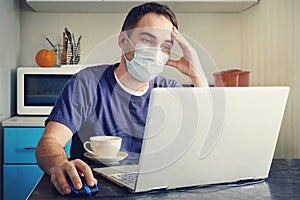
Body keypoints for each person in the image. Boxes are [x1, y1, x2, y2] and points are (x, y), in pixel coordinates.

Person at [36, 2, 208, 195]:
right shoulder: (87, 83)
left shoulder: (170, 91)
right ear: (123, 40)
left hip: (155, 190)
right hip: (94, 188)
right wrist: (59, 164)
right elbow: (50, 141)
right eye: (147, 40)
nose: (156, 52)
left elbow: (205, 139)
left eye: (165, 46)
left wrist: (197, 75)